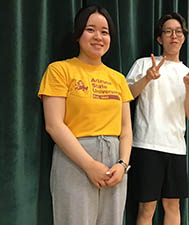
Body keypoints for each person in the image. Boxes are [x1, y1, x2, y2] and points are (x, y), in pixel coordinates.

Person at [38, 5, 133, 225]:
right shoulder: (59, 70)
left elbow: (126, 129)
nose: (98, 37)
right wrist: (89, 164)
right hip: (75, 158)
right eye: (91, 29)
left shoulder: (118, 78)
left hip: (115, 163)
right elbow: (54, 125)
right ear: (78, 33)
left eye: (105, 32)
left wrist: (122, 164)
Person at [126, 12, 189, 225]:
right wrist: (147, 78)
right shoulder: (144, 64)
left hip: (176, 148)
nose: (174, 36)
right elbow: (127, 96)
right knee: (146, 208)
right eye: (168, 31)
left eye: (178, 32)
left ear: (184, 38)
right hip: (146, 145)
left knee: (173, 206)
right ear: (160, 38)